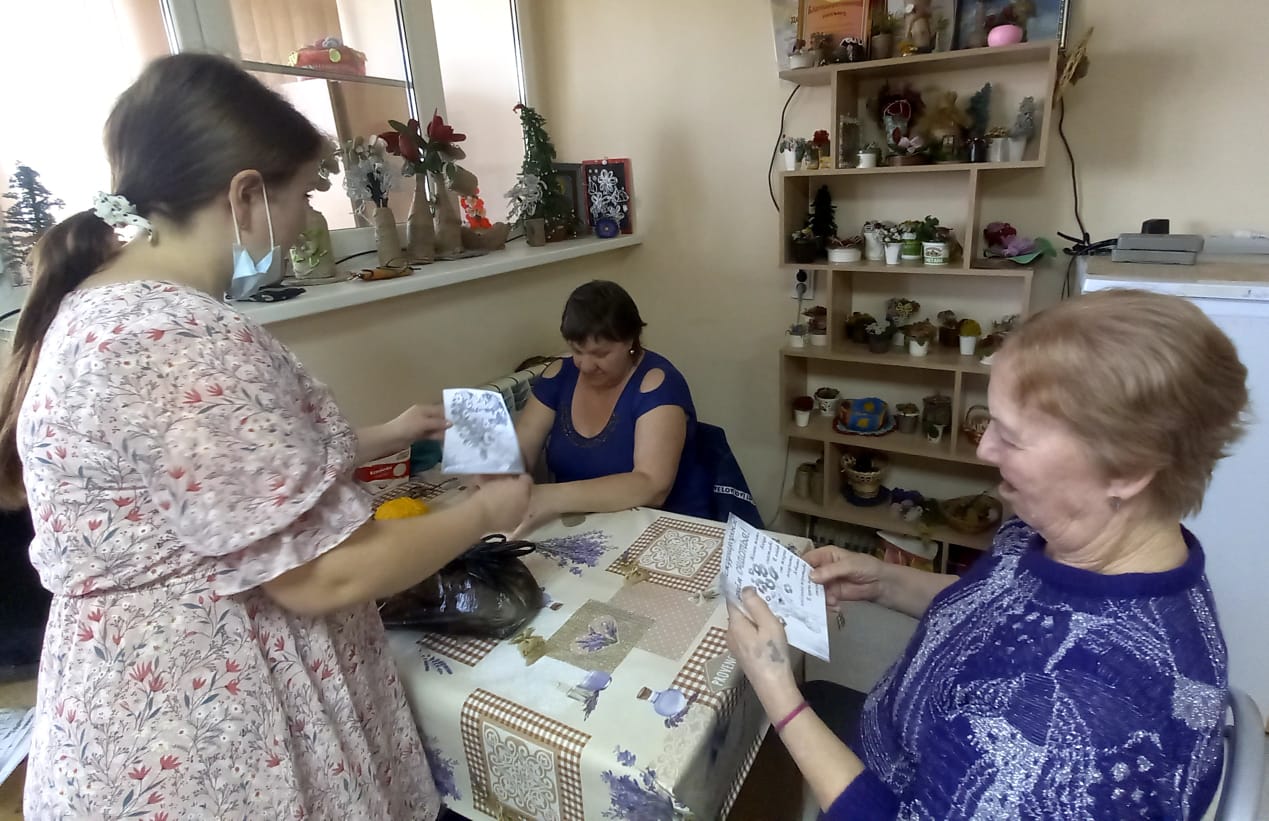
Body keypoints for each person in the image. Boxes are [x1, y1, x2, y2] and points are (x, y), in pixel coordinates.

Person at [0, 54, 530, 820]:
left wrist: (386, 433)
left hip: (132, 709)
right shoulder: (176, 339)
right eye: (305, 194)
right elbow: (327, 574)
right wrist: (484, 511)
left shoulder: (103, 308)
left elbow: (220, 481)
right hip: (201, 727)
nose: (310, 219)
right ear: (246, 195)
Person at [728, 289, 1248, 819]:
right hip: (895, 745)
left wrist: (780, 695)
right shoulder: (1068, 534)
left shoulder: (1061, 727)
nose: (984, 449)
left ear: (1127, 470)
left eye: (1012, 437)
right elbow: (1003, 607)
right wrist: (884, 581)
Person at [514, 280, 712, 532]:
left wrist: (549, 496)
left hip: (663, 527)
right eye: (577, 351)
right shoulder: (559, 376)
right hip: (582, 527)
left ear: (630, 341)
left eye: (600, 354)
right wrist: (501, 475)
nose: (586, 365)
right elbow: (521, 448)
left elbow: (652, 486)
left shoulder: (658, 385)